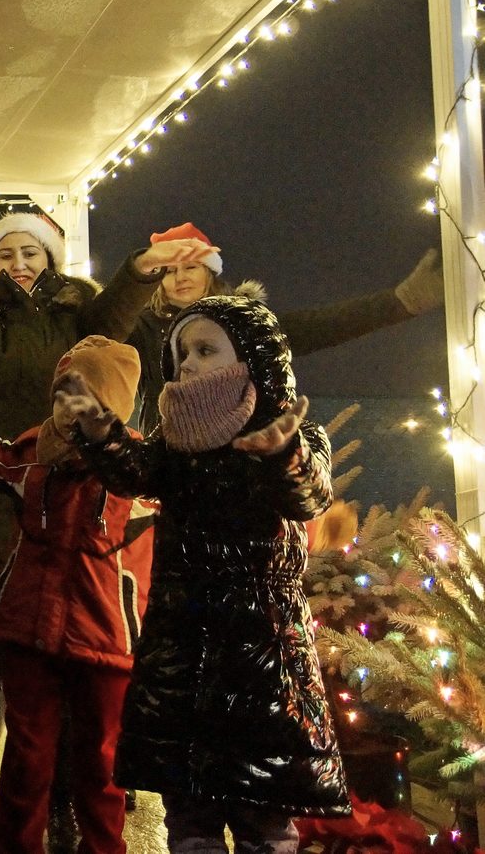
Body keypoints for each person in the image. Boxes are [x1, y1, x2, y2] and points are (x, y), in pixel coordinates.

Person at [0, 213, 213, 853]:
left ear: (49, 258)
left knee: (79, 690)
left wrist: (140, 268)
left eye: (30, 252)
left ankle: (66, 807)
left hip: (81, 521)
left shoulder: (78, 316)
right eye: (6, 254)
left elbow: (113, 320)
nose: (18, 263)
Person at [62, 295, 350, 850]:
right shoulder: (176, 441)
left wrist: (282, 452)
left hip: (262, 651)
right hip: (183, 647)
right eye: (181, 354)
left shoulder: (296, 433)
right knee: (189, 814)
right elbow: (135, 472)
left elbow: (309, 496)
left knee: (264, 814)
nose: (188, 364)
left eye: (205, 350)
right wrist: (99, 429)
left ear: (251, 359)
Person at [0, 337, 153, 854]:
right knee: (26, 756)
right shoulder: (34, 458)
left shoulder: (138, 473)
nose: (67, 407)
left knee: (101, 763)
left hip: (105, 637)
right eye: (61, 394)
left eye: (82, 395)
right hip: (30, 627)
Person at [127, 223, 443, 431]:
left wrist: (400, 302)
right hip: (165, 467)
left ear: (208, 271)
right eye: (170, 271)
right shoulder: (140, 329)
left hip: (240, 459)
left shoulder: (245, 323)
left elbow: (322, 325)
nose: (181, 277)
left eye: (191, 267)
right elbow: (103, 330)